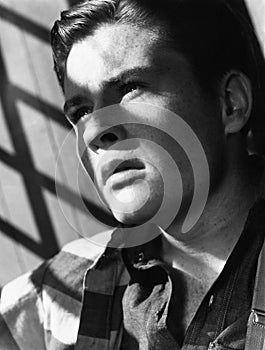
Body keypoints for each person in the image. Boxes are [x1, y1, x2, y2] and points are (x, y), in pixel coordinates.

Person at [1, 0, 265, 349]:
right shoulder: (67, 288)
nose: (96, 131)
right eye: (81, 111)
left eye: (129, 88)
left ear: (231, 103)